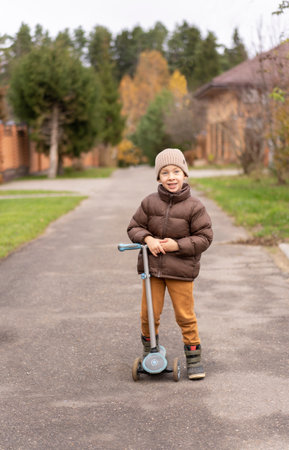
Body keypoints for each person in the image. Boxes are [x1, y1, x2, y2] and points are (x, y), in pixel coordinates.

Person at [127, 148, 213, 380]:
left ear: (185, 174)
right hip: (152, 270)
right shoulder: (149, 203)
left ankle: (194, 358)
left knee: (184, 315)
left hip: (181, 271)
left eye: (176, 171)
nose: (171, 177)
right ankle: (150, 352)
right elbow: (133, 227)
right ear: (158, 177)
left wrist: (177, 245)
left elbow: (205, 238)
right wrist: (148, 239)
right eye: (165, 172)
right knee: (148, 314)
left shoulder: (195, 207)